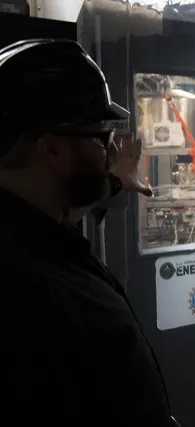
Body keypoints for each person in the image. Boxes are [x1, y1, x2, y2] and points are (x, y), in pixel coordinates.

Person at [0, 40, 176, 426]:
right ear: (52, 150)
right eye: (100, 137)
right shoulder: (29, 289)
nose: (110, 151)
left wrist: (113, 184)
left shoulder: (37, 233)